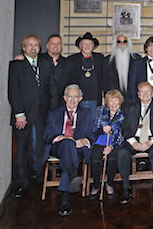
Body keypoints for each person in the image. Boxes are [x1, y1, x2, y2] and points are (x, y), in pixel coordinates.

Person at [8, 34, 57, 198]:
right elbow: (13, 91)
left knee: (41, 147)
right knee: (21, 149)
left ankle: (39, 176)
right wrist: (19, 113)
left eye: (36, 45)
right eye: (30, 45)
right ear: (23, 48)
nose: (33, 48)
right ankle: (22, 182)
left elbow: (52, 88)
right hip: (23, 115)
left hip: (42, 114)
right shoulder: (16, 65)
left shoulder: (45, 64)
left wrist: (53, 110)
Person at [43, 84, 94, 216]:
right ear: (64, 98)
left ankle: (67, 194)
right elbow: (46, 135)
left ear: (81, 98)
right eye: (70, 96)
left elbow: (93, 134)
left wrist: (85, 141)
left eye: (76, 97)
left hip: (78, 147)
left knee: (69, 150)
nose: (72, 100)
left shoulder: (87, 113)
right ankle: (72, 176)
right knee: (67, 143)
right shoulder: (54, 113)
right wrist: (59, 137)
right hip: (59, 147)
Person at [117, 82, 153, 204]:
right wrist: (134, 142)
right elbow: (126, 128)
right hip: (134, 138)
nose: (145, 94)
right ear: (138, 94)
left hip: (152, 138)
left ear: (152, 94)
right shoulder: (129, 108)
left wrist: (150, 142)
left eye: (148, 91)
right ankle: (125, 187)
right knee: (122, 152)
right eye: (142, 92)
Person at [88, 89, 125, 200]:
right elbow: (93, 129)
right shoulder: (100, 110)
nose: (113, 103)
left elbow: (123, 134)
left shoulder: (123, 114)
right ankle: (95, 185)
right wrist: (102, 130)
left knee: (113, 157)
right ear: (107, 102)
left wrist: (112, 146)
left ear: (120, 101)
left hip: (114, 143)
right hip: (99, 141)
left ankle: (109, 183)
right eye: (111, 100)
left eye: (116, 100)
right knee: (95, 158)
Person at [65, 32, 105, 113]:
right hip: (77, 99)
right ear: (80, 46)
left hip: (95, 99)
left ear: (93, 46)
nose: (87, 46)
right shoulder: (71, 60)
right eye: (84, 43)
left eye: (90, 43)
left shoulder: (100, 58)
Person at [104, 34, 141, 105]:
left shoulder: (136, 59)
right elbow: (105, 82)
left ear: (128, 43)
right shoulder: (107, 61)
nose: (122, 44)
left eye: (124, 41)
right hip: (114, 101)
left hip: (133, 100)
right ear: (115, 43)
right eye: (119, 41)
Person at [40, 34, 68, 107]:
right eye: (53, 43)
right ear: (47, 46)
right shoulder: (38, 60)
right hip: (41, 106)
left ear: (61, 46)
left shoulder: (68, 63)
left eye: (58, 43)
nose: (56, 46)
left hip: (61, 106)